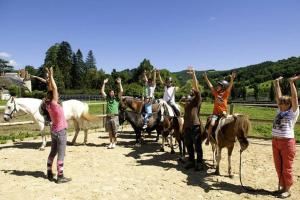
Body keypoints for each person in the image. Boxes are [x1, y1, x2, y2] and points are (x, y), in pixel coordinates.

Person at [272, 76, 299, 198]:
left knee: (286, 168)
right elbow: (278, 95)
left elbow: (294, 98)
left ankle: (287, 189)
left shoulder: (293, 112)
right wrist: (277, 83)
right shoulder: (279, 111)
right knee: (278, 167)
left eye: (285, 102)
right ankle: (282, 187)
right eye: (281, 102)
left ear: (289, 104)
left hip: (287, 143)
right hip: (275, 142)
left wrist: (291, 83)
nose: (282, 103)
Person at [45, 67, 71, 184]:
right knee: (61, 155)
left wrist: (50, 77)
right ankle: (60, 177)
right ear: (54, 96)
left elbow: (51, 90)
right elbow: (54, 88)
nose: (58, 94)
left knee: (52, 153)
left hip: (54, 131)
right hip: (61, 132)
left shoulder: (48, 104)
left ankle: (49, 172)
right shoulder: (55, 104)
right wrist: (51, 76)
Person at [179, 67, 203, 171]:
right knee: (188, 144)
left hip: (195, 125)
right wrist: (183, 127)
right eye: (191, 90)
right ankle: (191, 161)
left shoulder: (197, 99)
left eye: (192, 90)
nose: (191, 90)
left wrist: (193, 75)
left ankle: (200, 162)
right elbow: (181, 106)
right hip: (187, 126)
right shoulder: (188, 103)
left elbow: (196, 87)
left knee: (197, 145)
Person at [203, 71, 236, 145]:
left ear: (223, 87)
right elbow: (210, 86)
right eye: (217, 86)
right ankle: (208, 138)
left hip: (223, 113)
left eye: (219, 86)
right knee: (211, 124)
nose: (217, 87)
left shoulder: (225, 94)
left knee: (231, 122)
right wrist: (206, 78)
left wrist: (232, 79)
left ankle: (233, 137)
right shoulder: (216, 93)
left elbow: (230, 86)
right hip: (215, 114)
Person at [101, 77, 123, 149]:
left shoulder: (117, 99)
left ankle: (114, 142)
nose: (111, 93)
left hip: (115, 117)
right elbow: (102, 91)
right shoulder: (107, 98)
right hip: (108, 117)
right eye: (110, 92)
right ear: (109, 93)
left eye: (112, 92)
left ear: (114, 93)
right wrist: (104, 83)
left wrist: (119, 83)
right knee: (110, 131)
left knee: (115, 131)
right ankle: (111, 142)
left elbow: (121, 91)